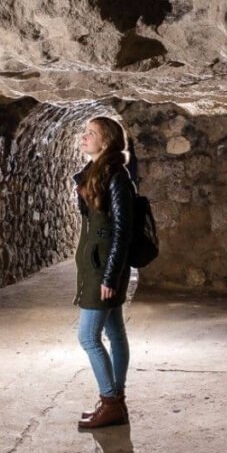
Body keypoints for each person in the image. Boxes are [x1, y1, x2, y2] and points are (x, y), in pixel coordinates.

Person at [72, 116, 134, 430]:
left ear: (106, 141)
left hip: (105, 266)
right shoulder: (97, 172)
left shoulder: (116, 177)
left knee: (87, 336)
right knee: (114, 334)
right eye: (84, 132)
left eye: (91, 133)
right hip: (98, 264)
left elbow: (122, 230)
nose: (84, 137)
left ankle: (110, 401)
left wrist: (110, 276)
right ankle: (116, 402)